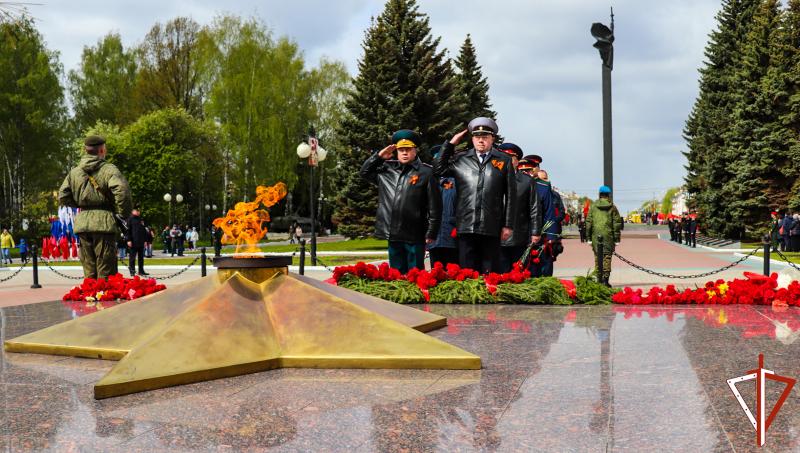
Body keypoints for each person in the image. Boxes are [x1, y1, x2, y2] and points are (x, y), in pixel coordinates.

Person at [434, 117, 514, 273]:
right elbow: (438, 170)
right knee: (467, 270)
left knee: (490, 271)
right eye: (477, 137)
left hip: (491, 224)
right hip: (466, 224)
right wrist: (450, 145)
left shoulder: (504, 161)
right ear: (472, 139)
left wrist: (508, 224)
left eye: (485, 137)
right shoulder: (461, 159)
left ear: (492, 139)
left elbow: (511, 195)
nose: (481, 141)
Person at [361, 129, 442, 273]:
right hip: (393, 233)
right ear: (396, 151)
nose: (404, 153)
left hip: (415, 234)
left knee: (416, 274)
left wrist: (431, 232)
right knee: (396, 274)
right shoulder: (387, 169)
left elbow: (435, 206)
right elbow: (364, 172)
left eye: (408, 149)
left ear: (415, 151)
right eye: (401, 149)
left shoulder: (426, 172)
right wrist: (379, 156)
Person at [58, 135, 132, 279]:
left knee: (89, 271)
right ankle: (104, 300)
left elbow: (63, 196)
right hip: (103, 222)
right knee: (106, 270)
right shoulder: (109, 170)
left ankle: (91, 299)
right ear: (102, 150)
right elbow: (122, 192)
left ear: (85, 150)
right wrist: (123, 214)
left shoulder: (74, 172)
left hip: (83, 224)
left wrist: (82, 204)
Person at [497, 143, 541, 272]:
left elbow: (534, 208)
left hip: (519, 235)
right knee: (497, 274)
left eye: (510, 157)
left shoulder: (527, 181)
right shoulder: (492, 176)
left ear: (517, 161)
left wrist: (535, 232)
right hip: (495, 235)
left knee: (518, 273)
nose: (505, 160)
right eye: (502, 156)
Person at [427, 145, 459, 267]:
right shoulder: (427, 180)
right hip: (433, 237)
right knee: (435, 273)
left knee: (454, 273)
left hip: (452, 235)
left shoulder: (457, 180)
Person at [586, 185, 623, 286]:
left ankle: (599, 279)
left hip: (595, 236)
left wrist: (588, 238)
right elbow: (616, 224)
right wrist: (617, 239)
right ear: (608, 195)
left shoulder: (593, 206)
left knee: (598, 257)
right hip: (608, 236)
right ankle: (606, 280)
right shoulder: (612, 207)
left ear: (600, 194)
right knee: (607, 257)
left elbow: (588, 222)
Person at [530, 169, 560, 277]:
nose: (544, 181)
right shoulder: (534, 189)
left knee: (547, 260)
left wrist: (552, 232)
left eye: (545, 178)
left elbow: (558, 211)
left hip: (548, 231)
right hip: (536, 230)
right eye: (542, 178)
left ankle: (546, 278)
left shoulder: (555, 195)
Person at [126, 207, 149, 276]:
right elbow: (127, 231)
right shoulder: (130, 219)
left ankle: (141, 271)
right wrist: (128, 240)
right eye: (137, 211)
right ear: (133, 211)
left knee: (141, 258)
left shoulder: (140, 219)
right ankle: (132, 271)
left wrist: (145, 240)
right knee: (132, 258)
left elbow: (144, 231)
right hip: (133, 241)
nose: (138, 212)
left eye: (139, 211)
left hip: (141, 241)